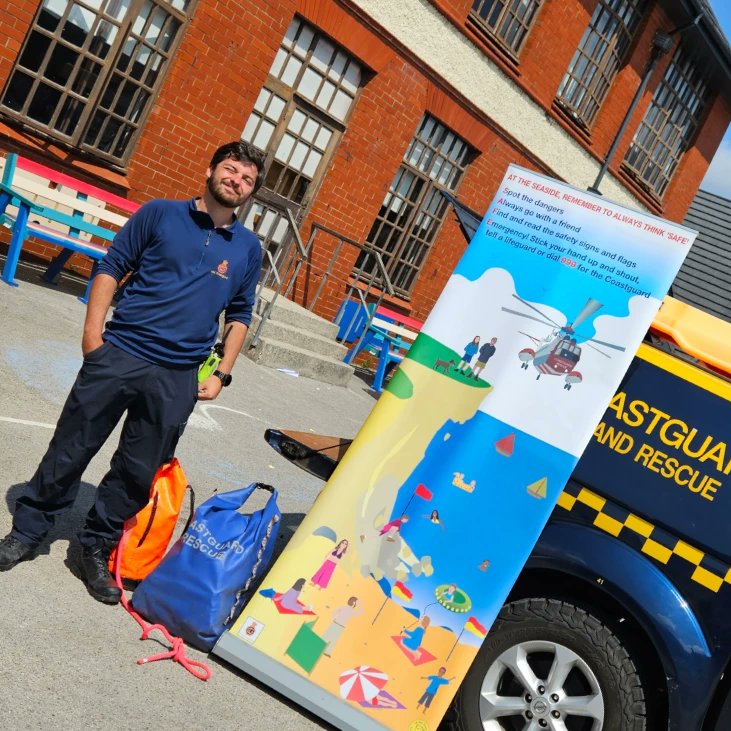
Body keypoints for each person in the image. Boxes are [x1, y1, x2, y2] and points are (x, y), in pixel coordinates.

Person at [0, 141, 266, 606]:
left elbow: (241, 313)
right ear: (210, 170)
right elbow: (112, 266)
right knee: (70, 446)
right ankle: (28, 530)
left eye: (246, 179)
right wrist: (92, 337)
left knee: (138, 471)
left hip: (178, 375)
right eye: (230, 170)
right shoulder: (159, 214)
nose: (236, 181)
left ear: (251, 191)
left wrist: (222, 373)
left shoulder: (247, 248)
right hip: (121, 353)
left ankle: (93, 547)